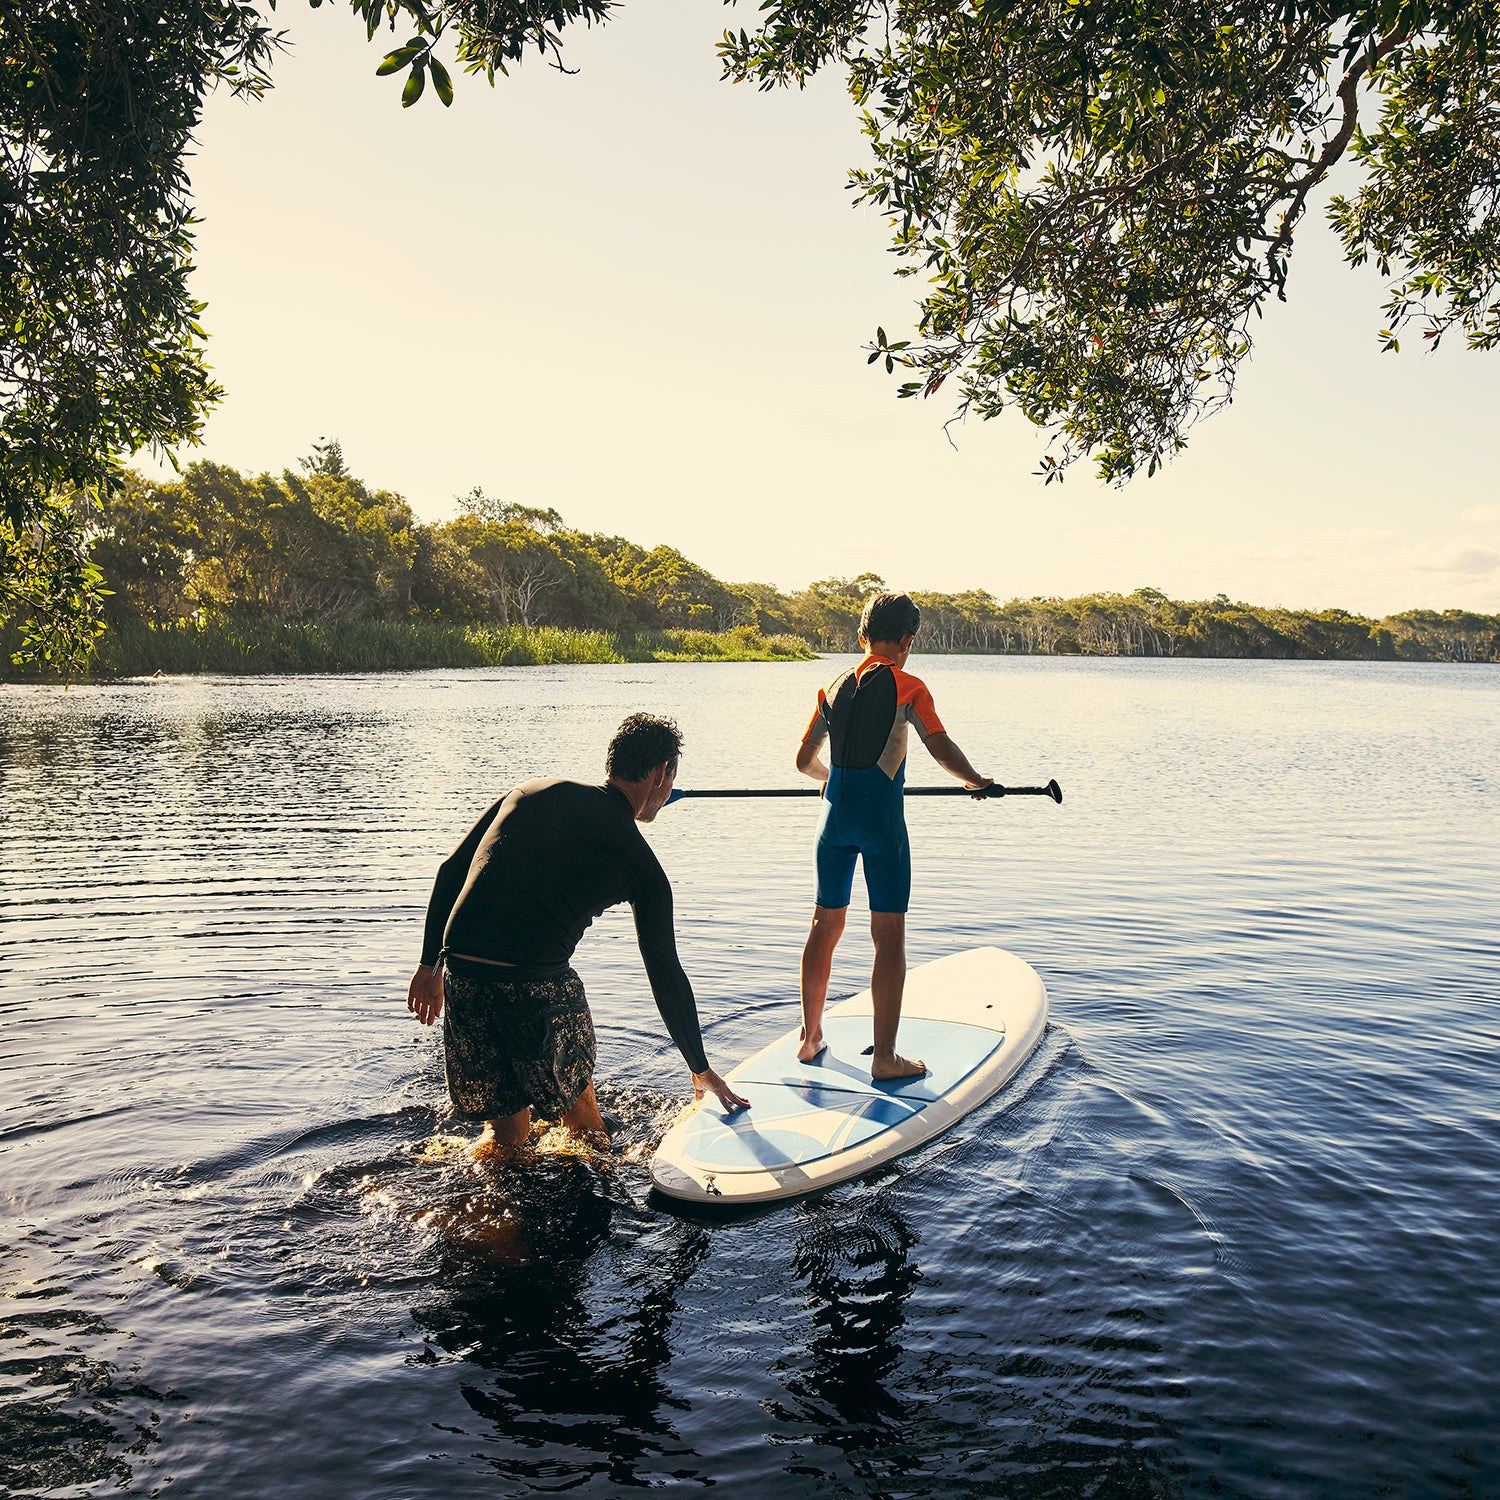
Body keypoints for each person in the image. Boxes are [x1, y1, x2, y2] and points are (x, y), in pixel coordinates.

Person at [407, 712, 748, 1150]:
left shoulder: (531, 792)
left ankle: (492, 1210)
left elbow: (451, 870)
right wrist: (700, 1068)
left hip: (463, 976)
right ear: (663, 772)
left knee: (505, 1134)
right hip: (535, 986)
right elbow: (664, 972)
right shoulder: (641, 866)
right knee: (584, 1127)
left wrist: (428, 965)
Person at [794, 593, 992, 1080]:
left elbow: (803, 763)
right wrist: (975, 781)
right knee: (888, 935)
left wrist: (829, 780)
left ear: (862, 637)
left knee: (824, 926)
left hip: (832, 822)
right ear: (907, 641)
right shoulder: (910, 687)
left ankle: (810, 1037)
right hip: (882, 825)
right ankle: (884, 1057)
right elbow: (941, 748)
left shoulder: (830, 688)